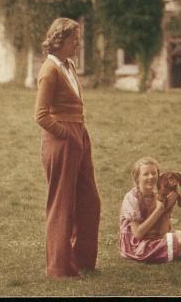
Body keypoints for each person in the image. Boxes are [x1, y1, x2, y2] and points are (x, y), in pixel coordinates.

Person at [34, 17, 101, 278]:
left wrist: (78, 135)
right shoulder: (49, 71)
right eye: (75, 39)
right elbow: (40, 115)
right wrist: (66, 134)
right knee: (61, 204)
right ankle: (60, 268)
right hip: (61, 139)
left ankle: (82, 260)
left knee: (90, 201)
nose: (78, 44)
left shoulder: (69, 66)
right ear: (60, 40)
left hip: (79, 134)